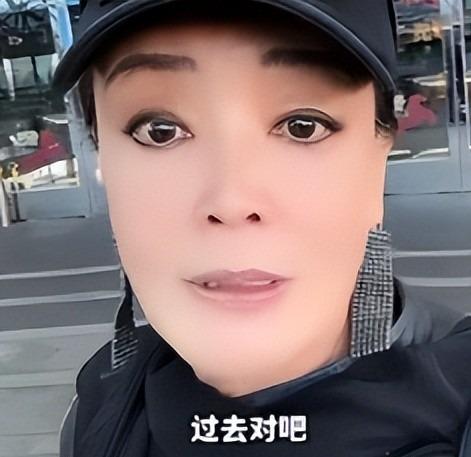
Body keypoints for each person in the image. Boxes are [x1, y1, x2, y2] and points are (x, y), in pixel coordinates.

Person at [53, 1, 471, 456]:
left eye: (302, 126)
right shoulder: (100, 411)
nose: (231, 202)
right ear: (102, 157)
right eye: (159, 130)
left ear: (381, 150)